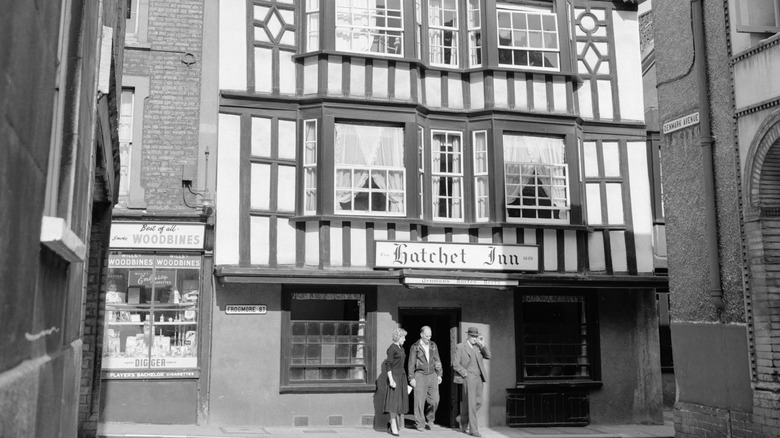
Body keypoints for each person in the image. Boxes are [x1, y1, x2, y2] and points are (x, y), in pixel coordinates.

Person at [452, 327, 491, 438]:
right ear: (468, 336)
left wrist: (483, 344)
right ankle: (473, 430)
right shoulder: (460, 347)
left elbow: (488, 356)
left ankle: (462, 418)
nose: (475, 338)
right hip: (468, 377)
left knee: (479, 402)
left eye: (476, 336)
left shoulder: (478, 346)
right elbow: (455, 363)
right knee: (472, 404)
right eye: (473, 336)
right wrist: (465, 373)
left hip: (478, 377)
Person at [407, 326, 443, 431]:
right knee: (419, 401)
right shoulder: (415, 347)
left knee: (435, 400)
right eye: (427, 336)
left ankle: (430, 419)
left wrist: (439, 374)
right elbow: (411, 363)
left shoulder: (433, 345)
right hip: (420, 374)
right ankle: (420, 424)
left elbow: (437, 361)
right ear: (421, 335)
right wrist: (411, 378)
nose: (429, 338)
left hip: (432, 374)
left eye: (430, 336)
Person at [384, 328, 409, 436]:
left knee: (399, 402)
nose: (404, 340)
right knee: (393, 402)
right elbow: (388, 365)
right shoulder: (391, 349)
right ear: (398, 337)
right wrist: (391, 380)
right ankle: (393, 424)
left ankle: (391, 422)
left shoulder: (401, 348)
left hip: (402, 376)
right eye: (403, 337)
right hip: (394, 376)